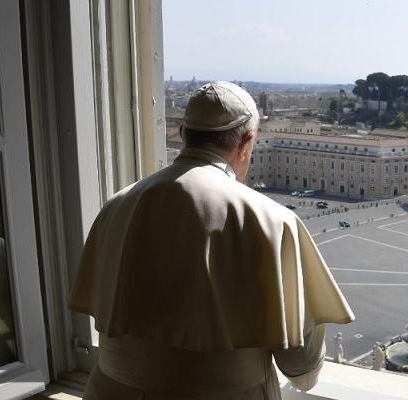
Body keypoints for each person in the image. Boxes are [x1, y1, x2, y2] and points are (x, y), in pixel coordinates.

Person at [69, 81, 354, 400]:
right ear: (246, 143)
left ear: (182, 134)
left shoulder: (116, 206)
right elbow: (302, 369)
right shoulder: (271, 220)